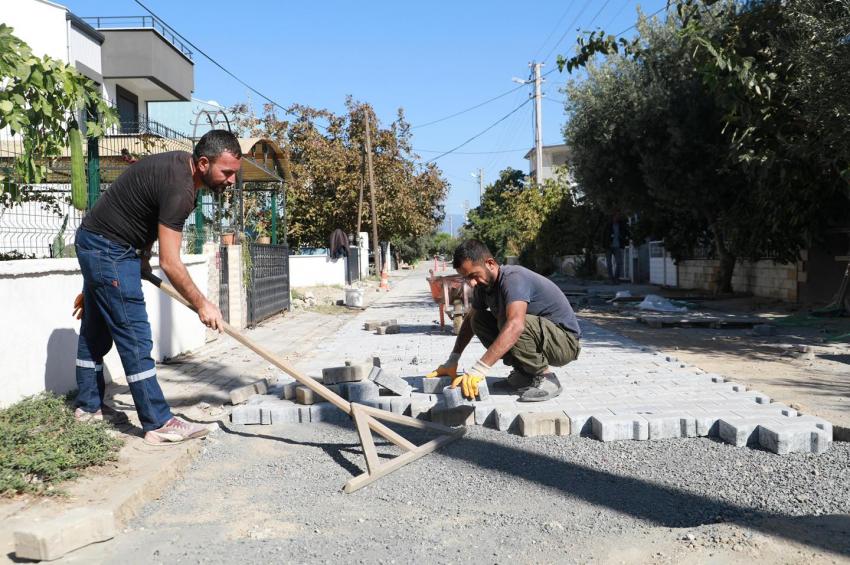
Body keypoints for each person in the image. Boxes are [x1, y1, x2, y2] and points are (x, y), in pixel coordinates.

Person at [71, 129, 242, 445]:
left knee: (95, 330)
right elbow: (172, 263)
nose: (231, 180)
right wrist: (203, 304)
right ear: (204, 163)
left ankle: (88, 408)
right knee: (135, 335)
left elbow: (148, 216)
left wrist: (142, 257)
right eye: (227, 172)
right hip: (108, 250)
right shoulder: (181, 190)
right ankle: (159, 421)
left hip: (99, 244)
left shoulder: (179, 169)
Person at [426, 239, 581, 402]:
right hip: (543, 338)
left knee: (514, 322)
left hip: (564, 343)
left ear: (490, 263)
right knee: (478, 319)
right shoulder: (483, 286)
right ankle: (525, 374)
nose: (471, 283)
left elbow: (516, 325)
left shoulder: (513, 278)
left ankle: (547, 378)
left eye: (473, 275)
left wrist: (479, 369)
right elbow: (470, 320)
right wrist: (453, 360)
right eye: (466, 278)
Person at [604, 213, 629, 284]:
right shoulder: (608, 225)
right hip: (608, 246)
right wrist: (604, 245)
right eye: (615, 217)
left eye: (618, 217)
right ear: (612, 217)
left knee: (619, 262)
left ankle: (616, 278)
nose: (617, 218)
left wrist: (624, 239)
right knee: (609, 264)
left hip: (617, 246)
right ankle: (611, 279)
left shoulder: (621, 225)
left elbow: (625, 233)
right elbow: (603, 235)